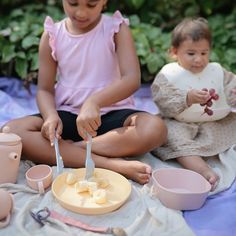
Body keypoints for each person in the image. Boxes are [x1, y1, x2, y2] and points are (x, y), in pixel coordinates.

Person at [2, 0, 167, 185]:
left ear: (104, 1)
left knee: (155, 128)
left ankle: (71, 150)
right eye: (73, 3)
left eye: (91, 5)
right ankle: (110, 164)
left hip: (112, 115)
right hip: (69, 115)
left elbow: (131, 79)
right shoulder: (52, 35)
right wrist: (50, 116)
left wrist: (93, 102)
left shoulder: (116, 29)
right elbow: (44, 89)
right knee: (11, 131)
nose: (81, 13)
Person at [151, 17, 236, 190]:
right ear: (174, 52)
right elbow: (162, 97)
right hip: (180, 122)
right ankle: (203, 170)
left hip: (215, 122)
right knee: (172, 138)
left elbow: (230, 85)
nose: (199, 59)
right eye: (191, 54)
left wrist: (233, 93)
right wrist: (187, 98)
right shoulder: (169, 74)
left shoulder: (216, 71)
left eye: (204, 53)